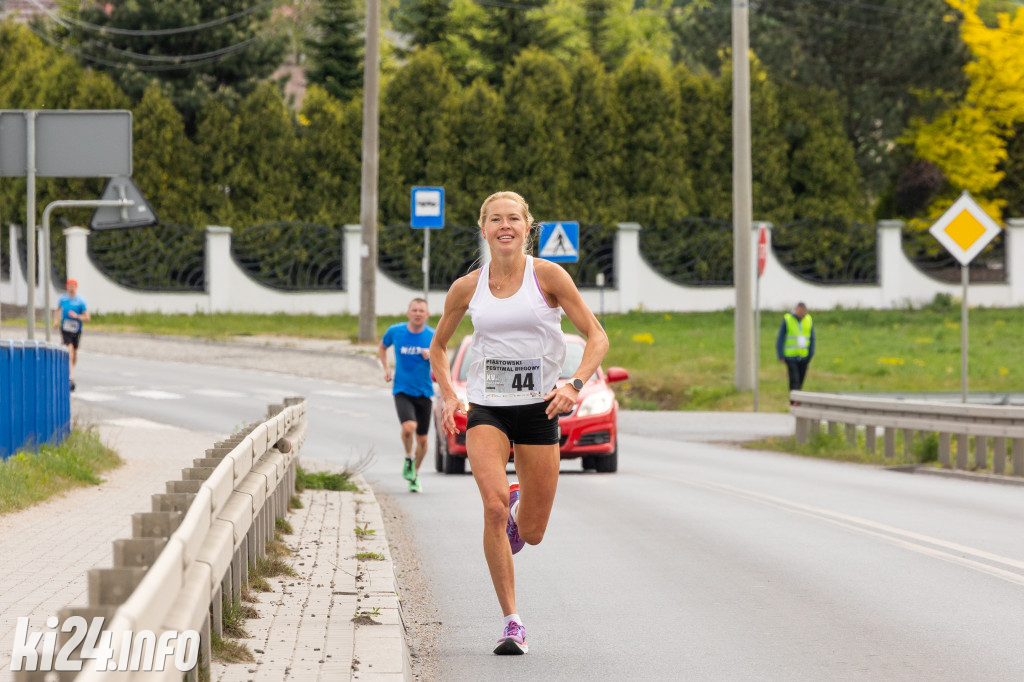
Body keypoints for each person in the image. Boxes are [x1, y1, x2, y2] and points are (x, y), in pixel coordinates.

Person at [430, 191, 609, 655]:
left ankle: (517, 509)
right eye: (495, 219)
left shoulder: (548, 276)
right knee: (490, 508)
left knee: (531, 532)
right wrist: (450, 395)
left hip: (539, 409)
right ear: (483, 227)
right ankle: (512, 622)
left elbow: (596, 336)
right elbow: (438, 347)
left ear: (528, 227)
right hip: (487, 408)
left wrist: (574, 383)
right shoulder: (467, 287)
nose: (504, 226)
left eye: (513, 218)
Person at [378, 298, 435, 493]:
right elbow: (382, 347)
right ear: (408, 312)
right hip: (402, 389)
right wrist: (386, 368)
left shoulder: (432, 336)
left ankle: (414, 473)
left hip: (424, 391)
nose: (418, 313)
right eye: (415, 310)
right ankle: (408, 457)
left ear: (427, 315)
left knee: (423, 440)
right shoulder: (396, 331)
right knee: (408, 427)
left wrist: (432, 355)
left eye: (422, 311)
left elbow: (442, 359)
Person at [52, 278, 90, 392]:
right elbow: (57, 310)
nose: (71, 288)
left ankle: (71, 368)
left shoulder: (81, 301)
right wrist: (56, 321)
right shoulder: (63, 299)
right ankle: (70, 377)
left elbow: (87, 317)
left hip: (76, 329)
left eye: (73, 286)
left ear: (76, 287)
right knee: (69, 349)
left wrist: (77, 317)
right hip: (65, 328)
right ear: (67, 287)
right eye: (70, 285)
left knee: (74, 353)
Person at [776, 301, 814, 404]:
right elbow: (781, 337)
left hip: (803, 355)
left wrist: (810, 353)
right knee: (794, 379)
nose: (801, 313)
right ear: (796, 310)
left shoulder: (808, 320)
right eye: (799, 311)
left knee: (801, 379)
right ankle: (794, 401)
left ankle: (798, 399)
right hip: (791, 355)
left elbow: (812, 338)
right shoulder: (788, 319)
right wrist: (780, 354)